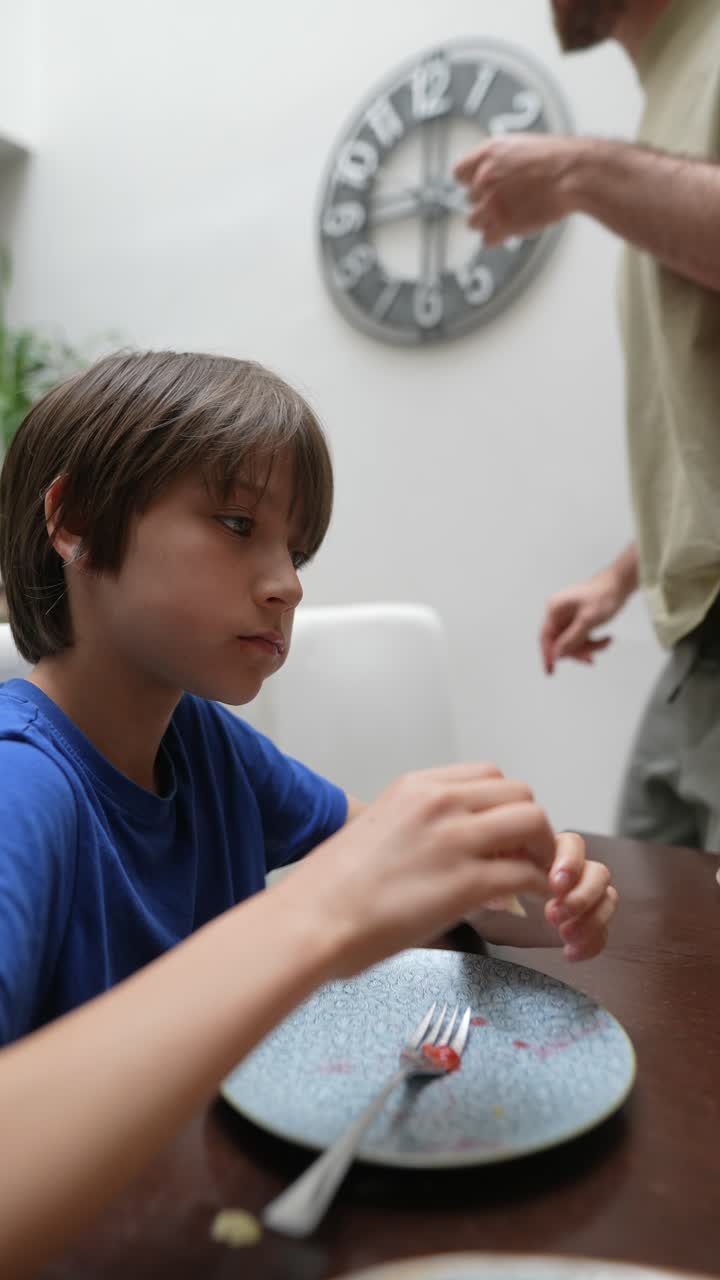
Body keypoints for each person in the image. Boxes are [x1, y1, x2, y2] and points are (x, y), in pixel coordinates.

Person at [0, 348, 616, 1271]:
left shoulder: (206, 746)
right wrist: (315, 911)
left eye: (296, 549)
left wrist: (530, 879)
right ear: (76, 521)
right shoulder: (24, 788)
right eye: (239, 523)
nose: (286, 581)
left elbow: (412, 876)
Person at [454, 0, 720, 853]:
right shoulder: (676, 85)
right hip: (694, 635)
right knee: (645, 947)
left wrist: (576, 174)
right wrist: (621, 577)